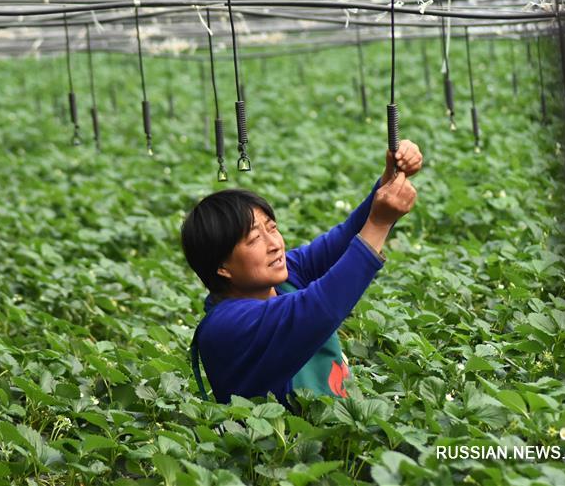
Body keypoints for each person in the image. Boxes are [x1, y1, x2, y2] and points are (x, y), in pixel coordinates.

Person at [181, 140, 423, 409]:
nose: (274, 244)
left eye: (272, 228)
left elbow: (344, 239)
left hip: (343, 432)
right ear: (221, 267)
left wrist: (389, 180)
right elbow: (319, 309)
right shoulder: (226, 326)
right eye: (253, 240)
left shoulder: (283, 277)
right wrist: (379, 223)